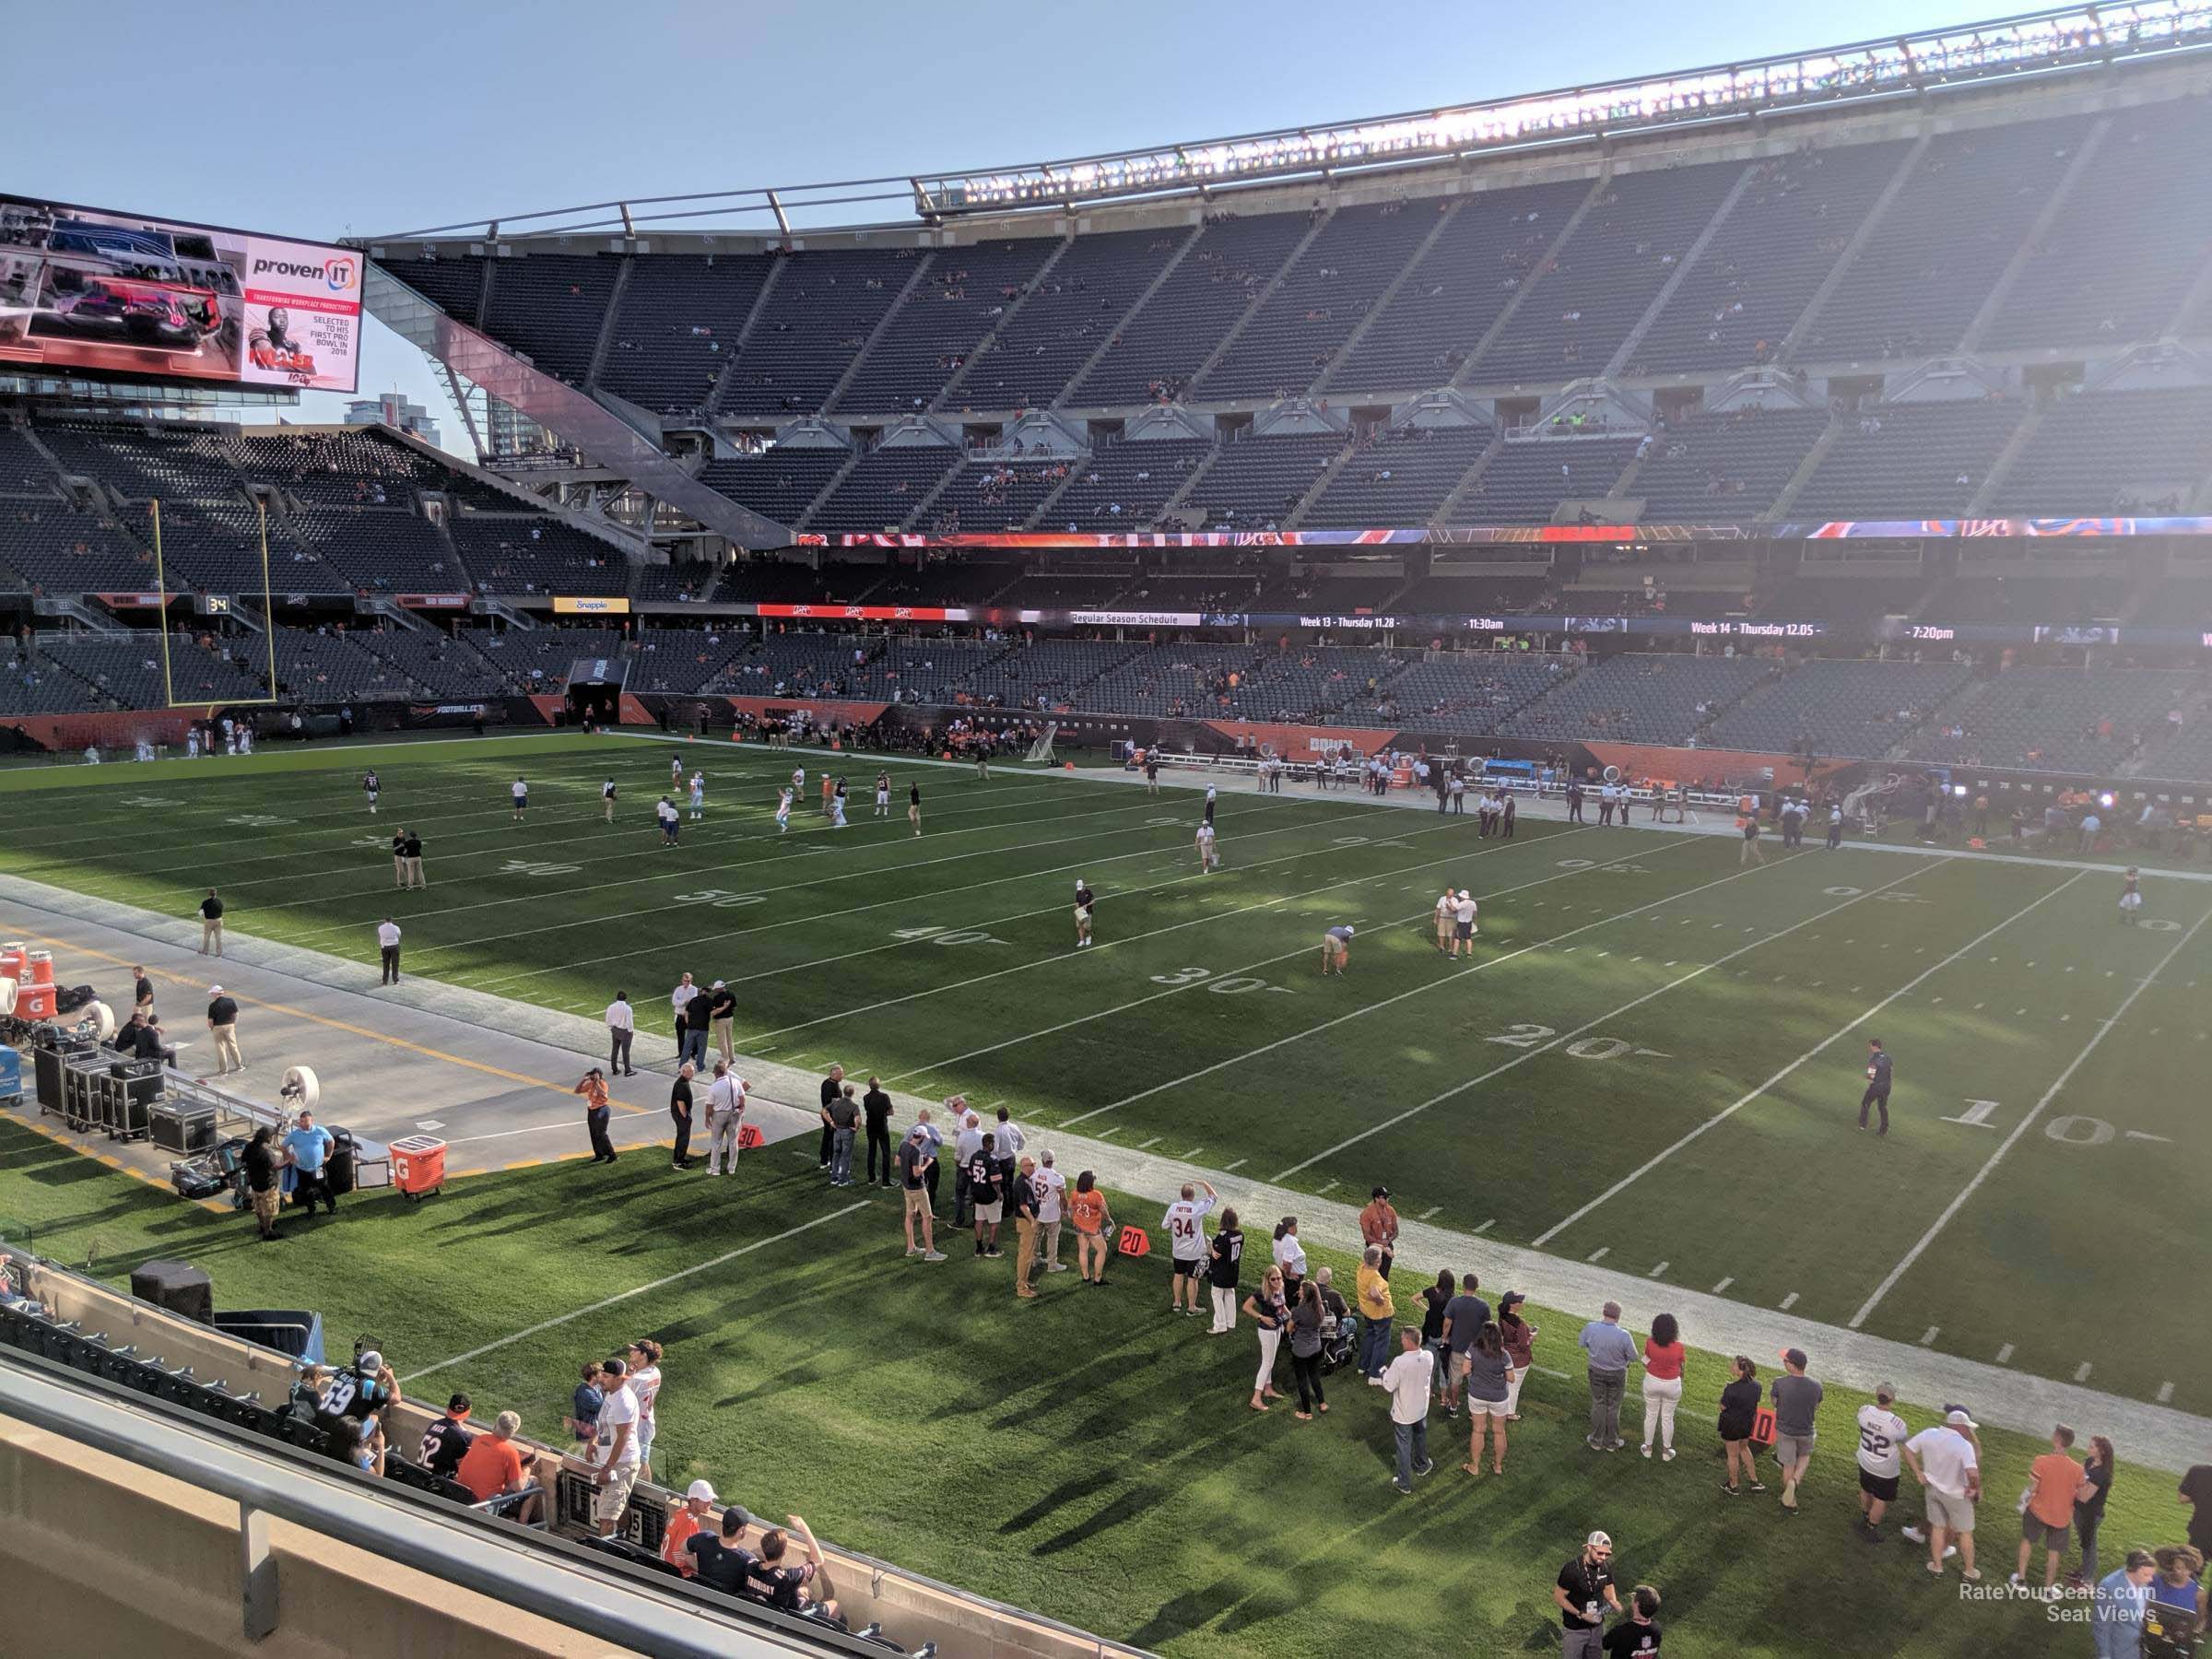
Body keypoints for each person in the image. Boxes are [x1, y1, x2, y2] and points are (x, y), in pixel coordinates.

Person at [1902, 1406, 1983, 1580]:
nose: (1969, 1430)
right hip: (1956, 1495)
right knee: (1965, 1533)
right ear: (1959, 1426)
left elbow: (1907, 1450)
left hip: (1932, 1490)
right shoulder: (1964, 1445)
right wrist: (1975, 1489)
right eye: (1967, 1427)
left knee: (1938, 1528)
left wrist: (1918, 1473)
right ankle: (1969, 1571)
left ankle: (1937, 1566)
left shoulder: (1929, 1433)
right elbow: (1973, 1474)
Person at [2012, 1424, 2082, 1592]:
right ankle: (2048, 1589)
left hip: (2038, 1511)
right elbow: (2079, 1493)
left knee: (2027, 1541)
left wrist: (2023, 1502)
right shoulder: (2078, 1469)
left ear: (2057, 1440)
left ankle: (2021, 1581)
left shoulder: (2041, 1461)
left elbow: (2033, 1488)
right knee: (2054, 1551)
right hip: (2062, 1516)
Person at [456, 1410, 544, 1525]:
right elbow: (519, 1488)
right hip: (485, 1505)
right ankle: (522, 1524)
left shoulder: (481, 1439)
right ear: (513, 1432)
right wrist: (526, 1467)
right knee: (534, 1482)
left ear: (496, 1423)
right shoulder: (510, 1452)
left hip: (461, 1496)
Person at [588, 1356, 641, 1536]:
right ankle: (620, 1543)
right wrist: (592, 1442)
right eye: (602, 1375)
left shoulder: (624, 1402)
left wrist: (608, 1467)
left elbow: (623, 1438)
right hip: (612, 1462)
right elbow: (603, 1422)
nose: (601, 1379)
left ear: (620, 1379)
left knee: (607, 1517)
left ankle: (604, 1557)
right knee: (614, 1510)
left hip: (621, 1464)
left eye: (607, 1376)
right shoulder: (611, 1394)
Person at [1381, 1325, 1436, 1496]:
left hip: (1404, 1413)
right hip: (1421, 1408)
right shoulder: (1428, 1355)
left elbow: (1389, 1386)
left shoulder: (1400, 1362)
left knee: (1403, 1447)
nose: (1401, 1341)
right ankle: (1422, 1465)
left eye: (1403, 1338)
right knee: (1420, 1436)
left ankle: (1404, 1483)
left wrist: (1384, 1373)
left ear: (1409, 1341)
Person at [752, 1516, 839, 1622]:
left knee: (804, 1591)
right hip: (791, 1619)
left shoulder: (751, 1568)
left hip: (764, 1614)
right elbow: (819, 1559)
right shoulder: (789, 1577)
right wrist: (804, 1528)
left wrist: (797, 1590)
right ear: (784, 1553)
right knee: (834, 1605)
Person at [1579, 1302, 1635, 1453]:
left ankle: (1596, 1440)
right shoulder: (1624, 1335)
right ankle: (1611, 1442)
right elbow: (1633, 1356)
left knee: (1599, 1403)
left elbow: (1582, 1343)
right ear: (1618, 1316)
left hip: (1596, 1371)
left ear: (1603, 1312)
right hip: (1617, 1373)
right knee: (1613, 1406)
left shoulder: (1591, 1327)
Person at [1770, 1347, 1821, 1511]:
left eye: (1785, 1360)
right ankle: (1795, 1481)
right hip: (1806, 1430)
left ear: (1792, 1365)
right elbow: (1817, 1405)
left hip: (1785, 1430)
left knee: (1788, 1464)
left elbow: (1775, 1402)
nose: (1784, 1362)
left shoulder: (1780, 1382)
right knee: (1804, 1456)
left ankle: (1790, 1500)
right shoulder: (1816, 1385)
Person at [1854, 1382, 1909, 1539]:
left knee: (1866, 1489)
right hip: (1886, 1469)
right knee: (1880, 1498)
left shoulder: (1864, 1411)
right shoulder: (1897, 1423)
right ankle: (1871, 1527)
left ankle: (1865, 1516)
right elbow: (1903, 1440)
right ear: (1892, 1399)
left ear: (1877, 1395)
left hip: (1865, 1460)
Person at [1556, 1532, 1621, 1658]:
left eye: (1607, 1554)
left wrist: (1613, 1600)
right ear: (1589, 1547)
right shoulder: (1572, 1570)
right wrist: (1580, 1614)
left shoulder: (1604, 1567)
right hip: (1575, 1629)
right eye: (1600, 1553)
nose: (1603, 1557)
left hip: (1597, 1628)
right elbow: (1559, 1597)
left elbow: (1608, 1585)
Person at [1460, 1320, 1512, 1476]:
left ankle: (1474, 1466)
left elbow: (1465, 1370)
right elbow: (1511, 1378)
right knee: (1499, 1431)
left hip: (1477, 1395)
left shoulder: (1473, 1349)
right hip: (1499, 1397)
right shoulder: (1504, 1354)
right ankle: (1497, 1466)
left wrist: (1475, 1377)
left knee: (1478, 1430)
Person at [1162, 1179, 1218, 1314]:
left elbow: (1164, 1226)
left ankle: (1176, 1303)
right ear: (1192, 1196)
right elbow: (1214, 1197)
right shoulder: (1197, 1208)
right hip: (1194, 1252)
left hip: (1178, 1251)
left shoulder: (1173, 1207)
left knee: (1178, 1275)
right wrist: (1204, 1183)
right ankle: (1191, 1308)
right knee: (1193, 1279)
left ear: (1181, 1195)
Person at [2092, 1549, 2159, 1659]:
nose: (2150, 1579)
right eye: (2146, 1574)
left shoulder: (2142, 1582)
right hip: (2119, 1651)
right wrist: (2105, 1656)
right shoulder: (2108, 1587)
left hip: (2138, 1649)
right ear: (2133, 1570)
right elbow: (2102, 1627)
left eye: (2151, 1575)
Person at [1242, 1265, 1289, 1410]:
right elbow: (1246, 1307)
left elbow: (1282, 1307)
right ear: (1267, 1280)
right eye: (1273, 1279)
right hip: (1266, 1331)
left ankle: (1268, 1389)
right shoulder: (1262, 1292)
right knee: (1267, 1363)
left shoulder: (1281, 1288)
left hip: (1277, 1328)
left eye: (1279, 1278)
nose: (1276, 1281)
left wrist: (1292, 1318)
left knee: (1271, 1360)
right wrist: (1262, 1317)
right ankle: (1256, 1398)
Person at [1639, 1312, 1684, 1461]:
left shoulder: (1650, 1343)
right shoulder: (1679, 1347)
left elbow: (1645, 1359)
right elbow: (1682, 1367)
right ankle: (1666, 1451)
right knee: (1667, 1418)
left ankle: (1648, 1448)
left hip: (1652, 1381)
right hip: (1672, 1384)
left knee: (1650, 1414)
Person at [1718, 1355, 1764, 1495]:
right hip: (1746, 1424)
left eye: (1734, 1364)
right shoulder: (1757, 1386)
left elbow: (1723, 1406)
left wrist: (1726, 1390)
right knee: (1744, 1448)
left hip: (1731, 1425)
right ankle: (1754, 1481)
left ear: (1740, 1370)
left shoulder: (1731, 1389)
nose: (1732, 1366)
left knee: (1732, 1455)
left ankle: (1733, 1485)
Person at [899, 1127, 946, 1262]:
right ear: (922, 1137)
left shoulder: (904, 1145)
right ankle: (930, 1252)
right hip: (917, 1188)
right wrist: (927, 1163)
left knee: (910, 1215)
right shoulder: (916, 1151)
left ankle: (911, 1247)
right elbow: (917, 1173)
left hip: (906, 1186)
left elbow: (899, 1161)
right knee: (928, 1217)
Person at [282, 1110, 336, 1214]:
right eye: (301, 1122)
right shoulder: (294, 1135)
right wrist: (289, 1158)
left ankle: (331, 1207)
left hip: (318, 1167)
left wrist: (328, 1156)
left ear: (312, 1121)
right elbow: (283, 1146)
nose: (304, 1125)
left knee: (324, 1187)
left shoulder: (320, 1131)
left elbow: (331, 1141)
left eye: (306, 1122)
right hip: (302, 1169)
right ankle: (311, 1209)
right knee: (306, 1190)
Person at [625, 1339, 664, 1484]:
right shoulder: (656, 1372)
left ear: (643, 1355)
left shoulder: (636, 1380)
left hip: (635, 1428)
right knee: (643, 1462)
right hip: (647, 1424)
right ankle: (649, 1497)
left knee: (633, 1465)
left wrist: (628, 1376)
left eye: (635, 1350)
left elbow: (620, 1398)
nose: (631, 1352)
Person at [1356, 1245, 1396, 1379]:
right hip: (1381, 1314)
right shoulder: (1375, 1277)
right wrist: (1380, 1300)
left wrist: (1383, 1249)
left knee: (1370, 1335)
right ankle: (1375, 1374)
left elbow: (1373, 1247)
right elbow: (1374, 1292)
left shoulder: (1362, 1267)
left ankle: (1363, 1366)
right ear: (1378, 1263)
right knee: (1381, 1342)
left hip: (1367, 1311)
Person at [1499, 1291, 1538, 1421]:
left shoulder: (1502, 1316)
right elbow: (1523, 1345)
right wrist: (1532, 1337)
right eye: (1519, 1301)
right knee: (1514, 1387)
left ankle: (1500, 1406)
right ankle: (1509, 1413)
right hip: (1519, 1359)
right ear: (1512, 1304)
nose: (1522, 1303)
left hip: (1506, 1355)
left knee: (1506, 1383)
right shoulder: (1519, 1323)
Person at [1206, 1206, 1245, 1334]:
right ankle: (1230, 1321)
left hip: (1221, 1272)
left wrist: (1210, 1245)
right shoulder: (1240, 1235)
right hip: (1233, 1271)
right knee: (1230, 1293)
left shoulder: (1223, 1236)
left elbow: (1216, 1254)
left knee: (1217, 1296)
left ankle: (1220, 1325)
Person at [1069, 1170, 1112, 1285]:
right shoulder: (1096, 1195)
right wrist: (1109, 1220)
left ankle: (1086, 1276)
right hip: (1092, 1228)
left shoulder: (1074, 1193)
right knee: (1102, 1250)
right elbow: (1103, 1210)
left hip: (1079, 1225)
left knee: (1083, 1250)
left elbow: (1070, 1208)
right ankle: (1097, 1279)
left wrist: (1073, 1219)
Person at [418, 1394, 474, 1479]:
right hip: (437, 1483)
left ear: (448, 1408)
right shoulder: (464, 1435)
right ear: (469, 1411)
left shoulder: (435, 1423)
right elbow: (463, 1467)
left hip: (418, 1474)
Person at [704, 1063, 747, 1177]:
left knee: (716, 1142)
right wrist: (742, 1109)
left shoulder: (714, 1087)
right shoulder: (736, 1082)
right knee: (733, 1141)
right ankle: (731, 1168)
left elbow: (709, 1106)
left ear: (715, 1073)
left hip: (719, 1115)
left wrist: (707, 1119)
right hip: (734, 1114)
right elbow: (742, 1098)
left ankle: (715, 1169)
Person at [241, 1126, 282, 1241]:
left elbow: (243, 1160)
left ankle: (262, 1226)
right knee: (269, 1209)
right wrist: (289, 1161)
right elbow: (275, 1166)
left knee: (258, 1206)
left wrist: (278, 1126)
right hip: (268, 1184)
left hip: (255, 1184)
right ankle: (268, 1232)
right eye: (271, 1137)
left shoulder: (249, 1147)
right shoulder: (266, 1152)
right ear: (268, 1138)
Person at [966, 1132, 1003, 1257]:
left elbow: (970, 1174)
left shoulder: (974, 1156)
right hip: (989, 1195)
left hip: (977, 1194)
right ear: (990, 1144)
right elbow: (995, 1181)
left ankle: (979, 1247)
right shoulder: (992, 1160)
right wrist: (999, 1193)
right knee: (994, 1222)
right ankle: (991, 1247)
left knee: (979, 1220)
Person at [1010, 1155, 1042, 1299]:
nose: (1034, 1167)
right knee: (1026, 1256)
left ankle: (1025, 1280)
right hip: (1026, 1222)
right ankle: (1021, 1288)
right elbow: (1024, 1206)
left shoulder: (1026, 1181)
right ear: (1024, 1167)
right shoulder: (1022, 1183)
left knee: (1029, 1254)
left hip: (1027, 1221)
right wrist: (1033, 1221)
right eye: (1031, 1165)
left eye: (1034, 1164)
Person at [1601, 1585, 1663, 1656]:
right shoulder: (1657, 1629)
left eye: (1634, 1598)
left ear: (1636, 1604)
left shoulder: (1621, 1631)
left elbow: (1604, 1644)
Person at [1033, 1149, 1068, 1272]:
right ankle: (1052, 1265)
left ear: (1042, 1160)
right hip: (1052, 1213)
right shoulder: (1057, 1178)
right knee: (1052, 1238)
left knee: (1036, 1236)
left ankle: (1035, 1259)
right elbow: (1063, 1197)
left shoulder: (1034, 1174)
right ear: (1053, 1161)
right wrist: (1064, 1210)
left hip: (1037, 1211)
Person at [574, 1068, 616, 1165]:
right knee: (593, 1133)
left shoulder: (602, 1084)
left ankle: (612, 1155)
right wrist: (584, 1080)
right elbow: (577, 1091)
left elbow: (603, 1094)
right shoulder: (590, 1084)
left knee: (601, 1133)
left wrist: (597, 1082)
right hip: (592, 1110)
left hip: (602, 1110)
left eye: (594, 1075)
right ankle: (599, 1154)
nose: (592, 1077)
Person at [1359, 1186, 1400, 1278]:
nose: (1387, 1199)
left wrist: (1388, 1240)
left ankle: (1382, 1290)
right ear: (1376, 1198)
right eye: (1384, 1197)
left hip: (1387, 1244)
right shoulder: (1367, 1213)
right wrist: (1381, 1244)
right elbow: (1367, 1236)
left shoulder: (1391, 1211)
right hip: (1373, 1246)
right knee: (1371, 1274)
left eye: (1387, 1197)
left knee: (1384, 1275)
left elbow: (1396, 1230)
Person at [823, 1083, 859, 1188]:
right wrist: (856, 1127)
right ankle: (843, 1180)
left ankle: (834, 1178)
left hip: (837, 1131)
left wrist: (830, 1122)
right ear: (852, 1093)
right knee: (846, 1156)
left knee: (836, 1154)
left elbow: (824, 1111)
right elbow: (858, 1118)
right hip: (847, 1132)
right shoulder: (853, 1106)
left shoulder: (836, 1103)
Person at [862, 1075, 895, 1188]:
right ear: (878, 1085)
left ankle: (871, 1178)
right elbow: (891, 1112)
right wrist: (883, 1114)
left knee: (871, 1152)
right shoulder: (885, 1097)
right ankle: (886, 1181)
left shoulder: (866, 1097)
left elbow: (868, 1110)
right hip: (882, 1127)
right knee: (886, 1153)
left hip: (870, 1127)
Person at [205, 983, 243, 1077]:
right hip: (230, 1026)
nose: (211, 995)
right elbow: (236, 1014)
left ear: (215, 994)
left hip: (218, 1027)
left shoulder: (213, 1006)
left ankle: (224, 1070)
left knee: (220, 1048)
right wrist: (233, 1023)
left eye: (212, 994)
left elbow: (210, 1021)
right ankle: (239, 1066)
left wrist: (212, 1028)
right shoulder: (231, 1001)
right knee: (233, 1046)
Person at [565, 1363, 605, 1450]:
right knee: (585, 1458)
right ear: (593, 1376)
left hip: (595, 1431)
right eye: (601, 1373)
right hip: (586, 1433)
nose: (603, 1375)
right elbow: (602, 1408)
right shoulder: (585, 1392)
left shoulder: (597, 1387)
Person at [1859, 1037, 1893, 1135]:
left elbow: (1870, 1076)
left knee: (1865, 1103)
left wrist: (1870, 1084)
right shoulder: (1888, 1058)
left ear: (1874, 1047)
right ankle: (1884, 1129)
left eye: (1870, 1046)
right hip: (1887, 1086)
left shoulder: (1873, 1059)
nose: (1870, 1048)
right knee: (1882, 1107)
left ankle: (1863, 1124)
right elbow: (1891, 1071)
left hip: (1876, 1086)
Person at [1272, 1217, 1307, 1305]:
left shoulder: (1279, 1237)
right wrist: (1288, 1275)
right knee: (1290, 1302)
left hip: (1282, 1272)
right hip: (1292, 1279)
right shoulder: (1289, 1240)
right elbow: (1287, 1262)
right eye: (1295, 1227)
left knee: (1282, 1298)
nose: (1296, 1229)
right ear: (1289, 1228)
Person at [668, 1064, 696, 1171]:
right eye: (691, 1071)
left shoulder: (683, 1082)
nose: (693, 1073)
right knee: (683, 1138)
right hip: (681, 1115)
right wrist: (686, 1117)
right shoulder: (682, 1084)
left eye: (693, 1071)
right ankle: (679, 1162)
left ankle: (678, 1158)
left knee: (681, 1136)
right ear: (684, 1072)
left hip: (680, 1115)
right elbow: (680, 1102)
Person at [817, 1065, 844, 1170]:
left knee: (828, 1137)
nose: (842, 1075)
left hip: (829, 1115)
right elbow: (829, 1102)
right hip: (830, 1116)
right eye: (840, 1073)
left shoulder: (831, 1083)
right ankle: (833, 1164)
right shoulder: (829, 1085)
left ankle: (824, 1160)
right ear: (833, 1074)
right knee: (833, 1140)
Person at [605, 990, 635, 1077]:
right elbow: (629, 1022)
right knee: (625, 1052)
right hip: (625, 1031)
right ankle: (627, 1070)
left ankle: (614, 1069)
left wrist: (611, 1028)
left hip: (615, 1030)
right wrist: (630, 1031)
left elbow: (608, 1020)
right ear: (625, 998)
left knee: (615, 1049)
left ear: (617, 997)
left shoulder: (611, 1007)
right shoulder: (628, 1009)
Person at [707, 980, 736, 1065]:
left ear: (720, 988)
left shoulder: (717, 998)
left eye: (716, 988)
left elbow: (714, 1010)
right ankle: (732, 1058)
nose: (715, 990)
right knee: (729, 1039)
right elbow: (734, 1007)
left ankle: (725, 1058)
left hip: (720, 1020)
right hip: (730, 1018)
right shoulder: (731, 995)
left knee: (722, 1040)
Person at [1452, 888, 1478, 959]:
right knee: (1468, 938)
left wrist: (1449, 904)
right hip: (1469, 923)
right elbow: (1475, 913)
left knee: (1457, 939)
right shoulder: (1473, 903)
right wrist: (1475, 922)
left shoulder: (1462, 904)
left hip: (1461, 923)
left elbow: (1454, 909)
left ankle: (1455, 955)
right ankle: (1469, 954)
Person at [198, 888, 225, 956]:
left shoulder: (205, 902)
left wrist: (203, 916)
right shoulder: (219, 901)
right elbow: (221, 910)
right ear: (216, 894)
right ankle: (219, 953)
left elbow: (200, 912)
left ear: (209, 894)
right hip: (219, 920)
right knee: (218, 937)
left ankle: (205, 951)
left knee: (207, 937)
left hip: (209, 921)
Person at [377, 917, 403, 986]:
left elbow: (381, 935)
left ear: (384, 920)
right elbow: (399, 935)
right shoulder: (396, 928)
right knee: (395, 964)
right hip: (394, 946)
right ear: (391, 920)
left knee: (385, 964)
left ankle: (385, 981)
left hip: (384, 947)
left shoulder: (380, 927)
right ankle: (395, 980)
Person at [1074, 879, 1096, 948]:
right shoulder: (1078, 893)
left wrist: (1087, 905)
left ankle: (1089, 936)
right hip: (1080, 911)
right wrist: (1078, 909)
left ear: (1083, 885)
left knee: (1086, 926)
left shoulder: (1088, 892)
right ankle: (1082, 940)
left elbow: (1093, 901)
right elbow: (1077, 902)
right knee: (1079, 925)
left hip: (1088, 911)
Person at [1434, 888, 1456, 955]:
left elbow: (1455, 911)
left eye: (1451, 894)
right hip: (1442, 918)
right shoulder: (1442, 899)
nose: (1450, 895)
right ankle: (1441, 947)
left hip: (1451, 918)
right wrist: (1435, 918)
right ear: (1447, 893)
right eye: (1449, 894)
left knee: (1450, 935)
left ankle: (1450, 949)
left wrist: (1449, 906)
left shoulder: (1455, 900)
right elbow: (1438, 908)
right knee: (1441, 933)